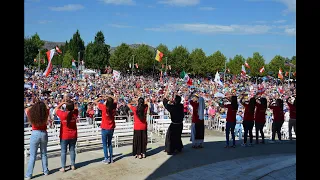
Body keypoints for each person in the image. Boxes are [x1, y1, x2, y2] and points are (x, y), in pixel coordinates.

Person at [25, 101, 50, 180]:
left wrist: (33, 106)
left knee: (32, 156)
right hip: (44, 133)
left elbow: (26, 109)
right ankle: (45, 171)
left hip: (35, 133)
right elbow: (47, 107)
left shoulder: (31, 113)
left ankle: (29, 174)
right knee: (44, 153)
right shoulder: (45, 113)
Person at [55, 99, 78, 172]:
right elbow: (76, 108)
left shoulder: (63, 114)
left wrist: (62, 102)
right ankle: (73, 165)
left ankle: (63, 167)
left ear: (66, 107)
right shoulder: (75, 113)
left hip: (64, 135)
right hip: (73, 135)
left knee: (63, 151)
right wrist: (71, 104)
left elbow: (56, 109)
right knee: (72, 150)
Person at [94, 95, 117, 164]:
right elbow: (115, 99)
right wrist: (109, 96)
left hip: (104, 127)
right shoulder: (113, 107)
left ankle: (106, 158)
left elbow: (95, 102)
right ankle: (111, 158)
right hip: (111, 127)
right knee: (109, 143)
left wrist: (100, 98)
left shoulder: (104, 107)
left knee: (104, 144)